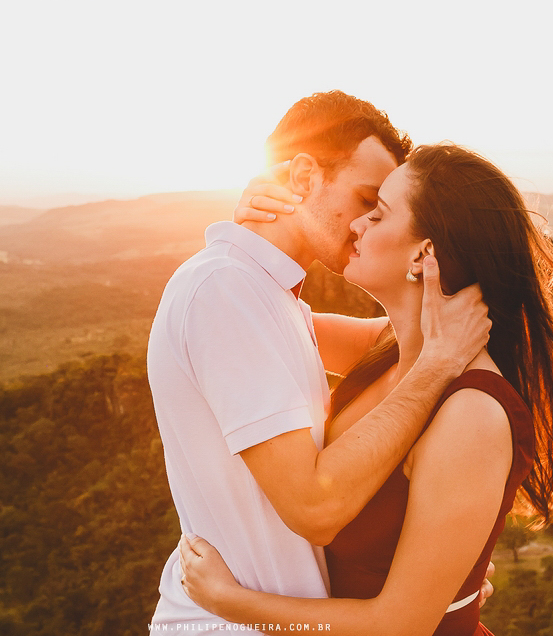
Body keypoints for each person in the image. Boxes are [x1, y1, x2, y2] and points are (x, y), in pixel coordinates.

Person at [178, 143, 553, 635]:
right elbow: (250, 315)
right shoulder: (386, 346)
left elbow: (400, 626)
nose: (357, 224)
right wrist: (265, 225)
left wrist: (232, 603)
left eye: (377, 213)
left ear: (424, 253)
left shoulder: (472, 414)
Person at [147, 93, 492, 632]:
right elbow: (315, 510)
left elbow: (406, 340)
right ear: (304, 177)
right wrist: (436, 368)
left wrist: (451, 567)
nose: (363, 224)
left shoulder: (269, 299)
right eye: (365, 200)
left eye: (381, 211)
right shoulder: (224, 289)